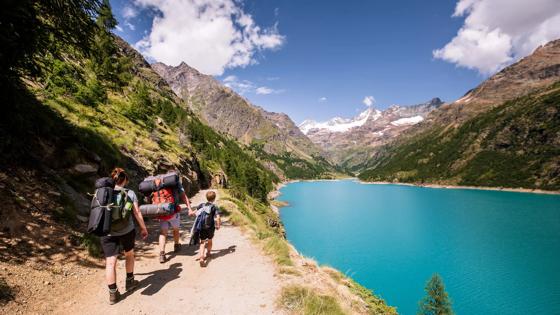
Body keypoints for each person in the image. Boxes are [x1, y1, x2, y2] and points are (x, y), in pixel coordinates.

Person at [101, 168, 148, 305]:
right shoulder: (130, 192)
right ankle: (130, 281)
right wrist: (143, 228)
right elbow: (137, 212)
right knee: (129, 254)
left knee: (110, 262)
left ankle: (113, 294)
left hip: (107, 231)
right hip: (127, 230)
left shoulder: (103, 192)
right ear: (125, 180)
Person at [158, 179, 192, 263]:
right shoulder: (176, 183)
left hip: (162, 211)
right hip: (174, 211)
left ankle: (162, 254)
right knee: (176, 229)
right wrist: (189, 208)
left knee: (163, 233)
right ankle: (176, 245)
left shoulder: (160, 182)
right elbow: (183, 196)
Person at [189, 191, 221, 267]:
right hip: (210, 227)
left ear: (206, 198)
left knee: (202, 242)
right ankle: (208, 253)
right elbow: (218, 217)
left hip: (202, 226)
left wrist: (190, 212)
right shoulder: (214, 207)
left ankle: (201, 258)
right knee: (210, 240)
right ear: (214, 198)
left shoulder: (201, 205)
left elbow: (193, 213)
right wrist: (218, 225)